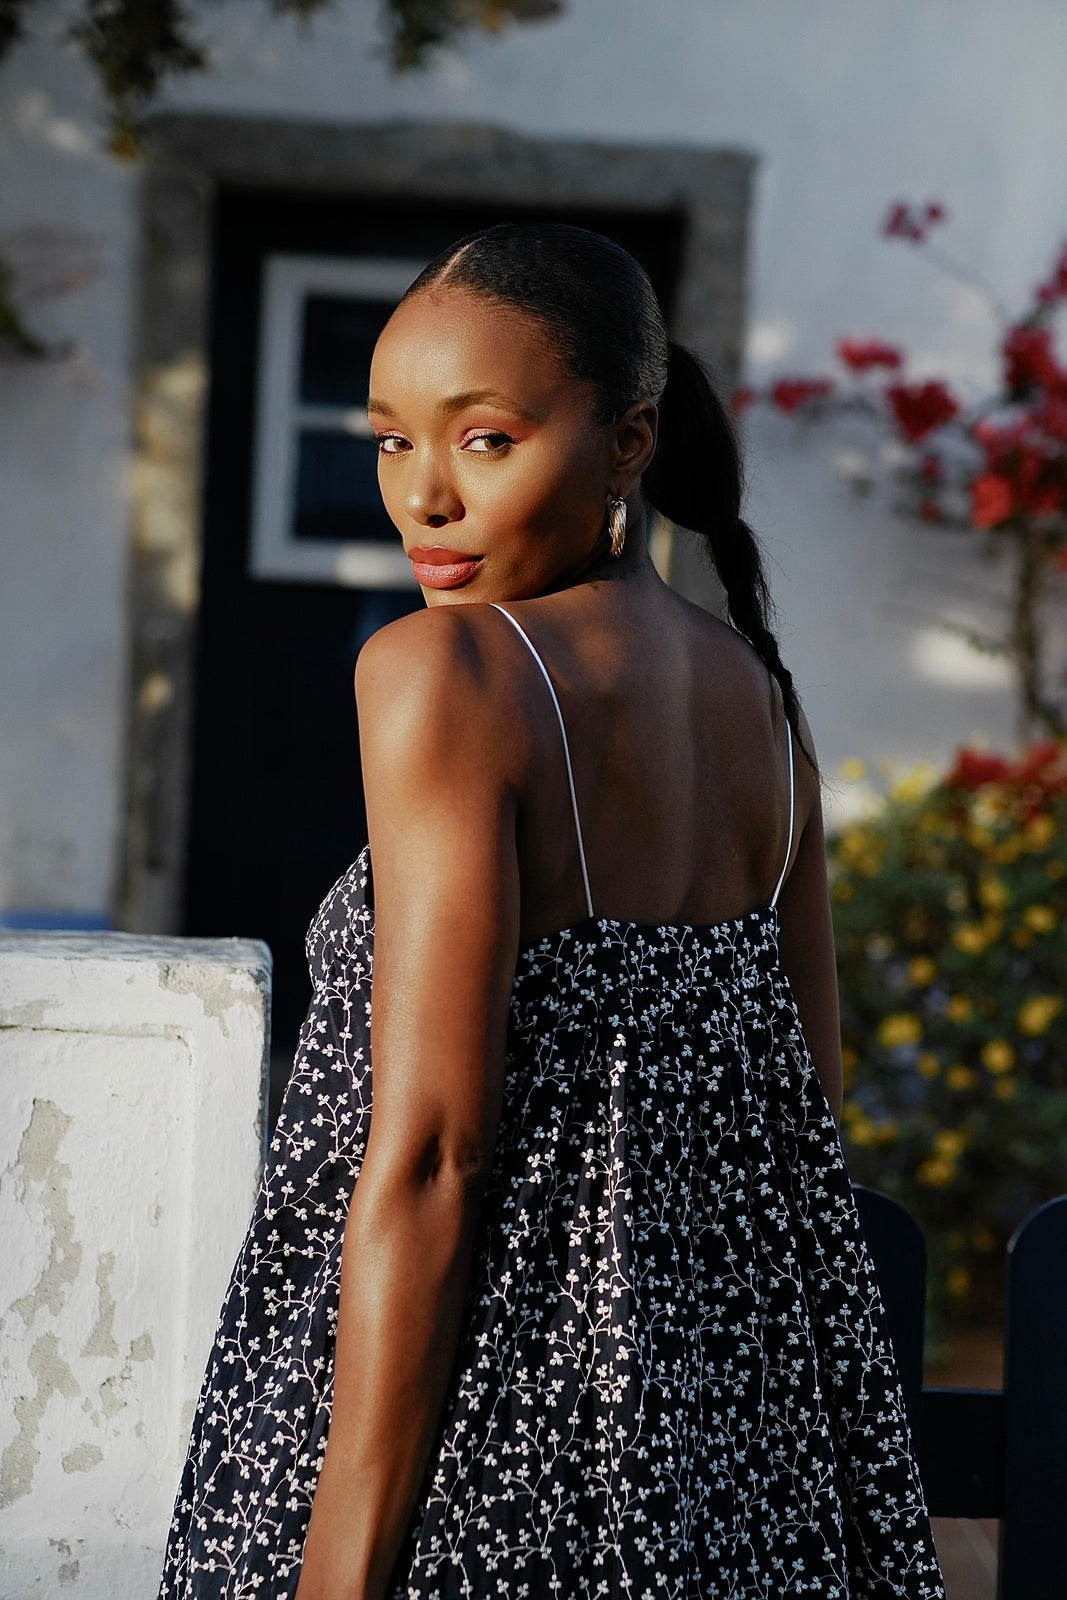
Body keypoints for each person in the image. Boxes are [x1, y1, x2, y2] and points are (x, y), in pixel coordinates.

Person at [158, 221, 946, 1600]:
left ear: (629, 443)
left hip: (478, 1427)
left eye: (486, 439)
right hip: (735, 1452)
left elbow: (433, 1161)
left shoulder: (443, 674)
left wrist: (339, 1566)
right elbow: (806, 1099)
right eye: (392, 440)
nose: (422, 500)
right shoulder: (764, 703)